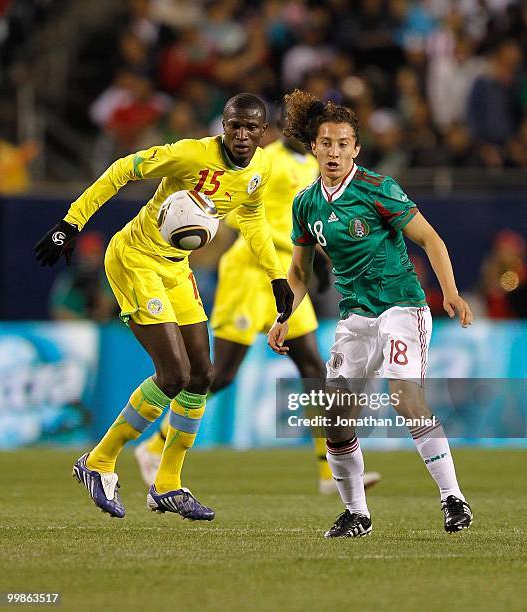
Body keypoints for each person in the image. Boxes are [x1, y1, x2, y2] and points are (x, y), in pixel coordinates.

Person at [34, 93, 294, 521]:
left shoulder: (261, 168)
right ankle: (98, 462)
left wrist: (276, 275)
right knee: (173, 375)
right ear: (222, 126)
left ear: (263, 132)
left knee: (202, 374)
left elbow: (251, 218)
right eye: (235, 126)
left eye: (252, 128)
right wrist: (71, 223)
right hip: (135, 258)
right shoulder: (190, 154)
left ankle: (168, 483)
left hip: (176, 267)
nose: (243, 135)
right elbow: (123, 170)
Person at [268, 89, 474, 537]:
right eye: (327, 143)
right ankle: (356, 514)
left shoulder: (377, 189)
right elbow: (299, 274)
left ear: (355, 149)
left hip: (402, 307)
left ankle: (453, 499)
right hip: (355, 317)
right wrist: (284, 316)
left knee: (405, 397)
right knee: (336, 417)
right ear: (314, 147)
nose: (335, 152)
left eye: (344, 144)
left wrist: (451, 293)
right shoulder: (306, 204)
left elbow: (431, 240)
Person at [134, 125, 381, 494]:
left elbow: (303, 222)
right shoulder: (270, 164)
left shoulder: (310, 167)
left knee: (314, 367)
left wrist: (321, 259)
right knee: (223, 373)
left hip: (289, 276)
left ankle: (330, 472)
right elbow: (236, 215)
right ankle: (154, 446)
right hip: (249, 272)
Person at [49, 231, 118, 322]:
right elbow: (57, 310)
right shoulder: (70, 278)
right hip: (76, 330)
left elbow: (109, 307)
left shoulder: (107, 276)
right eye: (89, 253)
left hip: (107, 329)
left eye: (96, 253)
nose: (93, 258)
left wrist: (99, 304)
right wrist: (82, 320)